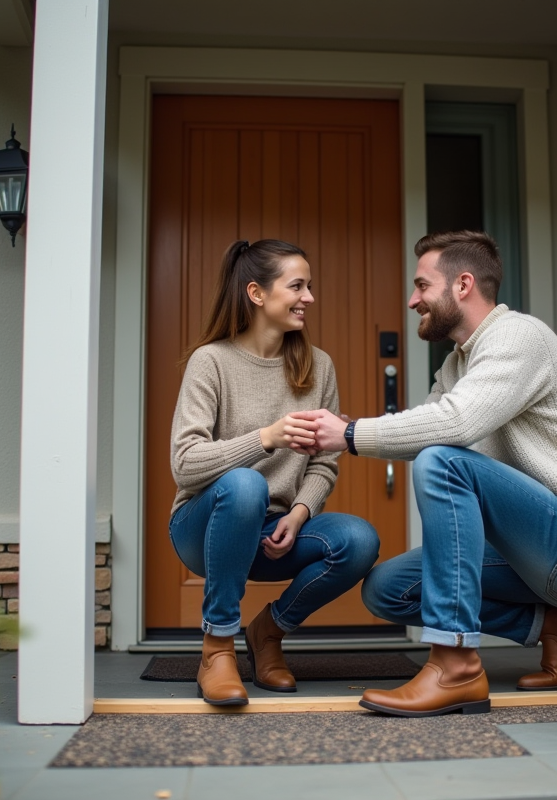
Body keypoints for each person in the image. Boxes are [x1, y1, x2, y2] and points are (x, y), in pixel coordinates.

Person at [294, 231, 557, 717]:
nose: (413, 299)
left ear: (462, 284)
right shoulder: (459, 362)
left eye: (421, 285)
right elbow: (429, 422)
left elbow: (456, 424)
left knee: (443, 459)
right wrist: (343, 430)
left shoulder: (518, 336)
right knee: (387, 589)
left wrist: (350, 435)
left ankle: (455, 663)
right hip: (537, 555)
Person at [169, 239, 380, 707]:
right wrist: (267, 437)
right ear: (257, 294)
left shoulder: (317, 366)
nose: (309, 297)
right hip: (202, 528)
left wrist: (301, 513)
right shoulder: (212, 362)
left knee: (359, 540)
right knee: (247, 485)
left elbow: (324, 462)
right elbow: (185, 464)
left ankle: (268, 632)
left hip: (274, 532)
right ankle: (217, 646)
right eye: (297, 286)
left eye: (310, 286)